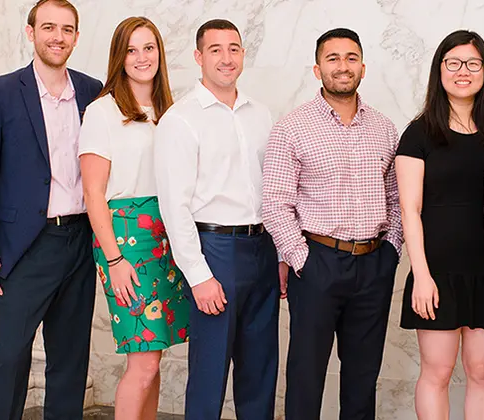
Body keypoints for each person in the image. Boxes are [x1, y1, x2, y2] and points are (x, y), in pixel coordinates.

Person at [0, 0, 102, 418]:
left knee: (71, 360)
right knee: (10, 358)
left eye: (66, 29)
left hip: (80, 241)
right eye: (48, 27)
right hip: (23, 245)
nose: (57, 37)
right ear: (31, 33)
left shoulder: (94, 92)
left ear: (77, 37)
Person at [262, 27, 403, 420]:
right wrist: (302, 258)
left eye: (350, 58)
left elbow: (396, 198)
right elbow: (275, 202)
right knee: (306, 374)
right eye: (333, 58)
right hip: (318, 262)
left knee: (363, 375)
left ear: (363, 66)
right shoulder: (293, 127)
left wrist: (390, 251)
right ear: (316, 68)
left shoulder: (384, 128)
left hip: (374, 264)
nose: (343, 66)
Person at [153, 19, 284, 420]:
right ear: (198, 57)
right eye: (215, 50)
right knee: (210, 373)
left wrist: (279, 256)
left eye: (234, 48)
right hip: (215, 251)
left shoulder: (261, 114)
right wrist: (198, 275)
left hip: (262, 248)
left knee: (260, 368)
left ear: (243, 54)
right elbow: (174, 206)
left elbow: (275, 191)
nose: (226, 58)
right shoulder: (181, 119)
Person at [78, 16, 189, 420]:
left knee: (154, 357)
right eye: (131, 50)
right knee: (142, 362)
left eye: (149, 48)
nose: (142, 58)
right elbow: (93, 193)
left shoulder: (170, 112)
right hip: (125, 239)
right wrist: (114, 259)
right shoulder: (101, 112)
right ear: (118, 57)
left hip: (166, 236)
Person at [396, 30, 484, 420]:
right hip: (437, 272)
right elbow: (410, 210)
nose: (464, 71)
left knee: (482, 372)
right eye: (454, 63)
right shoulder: (418, 133)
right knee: (438, 372)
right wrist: (421, 275)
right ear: (439, 70)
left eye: (473, 63)